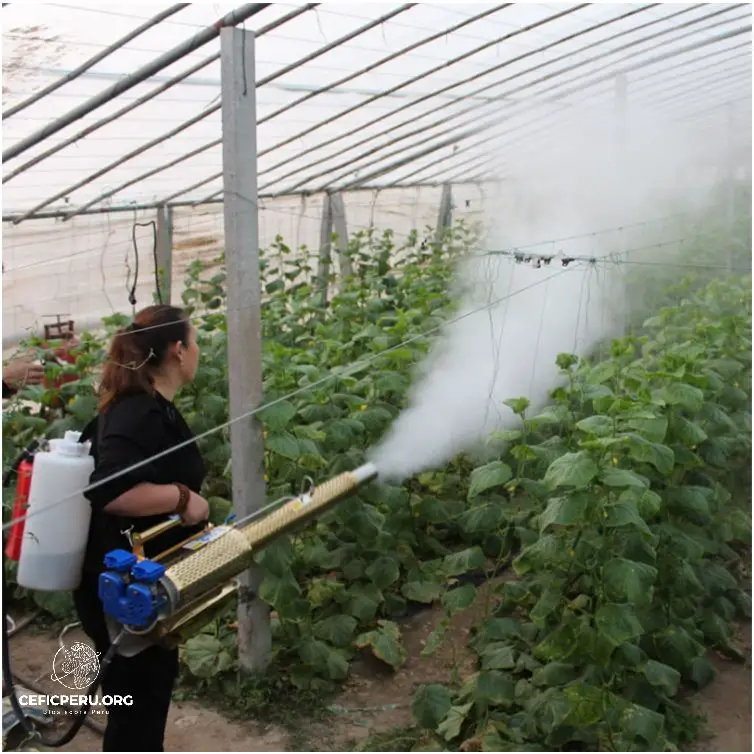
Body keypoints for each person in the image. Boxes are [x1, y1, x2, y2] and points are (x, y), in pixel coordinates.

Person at [73, 304, 210, 752]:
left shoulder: (150, 406)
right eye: (195, 341)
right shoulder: (140, 412)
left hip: (137, 583)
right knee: (137, 712)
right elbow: (110, 489)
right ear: (177, 350)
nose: (197, 351)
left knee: (142, 705)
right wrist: (183, 498)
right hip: (121, 591)